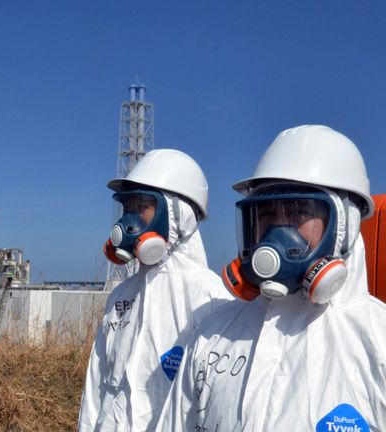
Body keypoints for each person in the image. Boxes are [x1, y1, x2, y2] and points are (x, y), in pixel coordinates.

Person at [157, 125, 386, 430]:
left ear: (345, 223)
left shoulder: (377, 341)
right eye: (266, 215)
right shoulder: (214, 331)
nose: (277, 231)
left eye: (299, 213)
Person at [79, 149, 232, 431]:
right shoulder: (121, 297)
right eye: (127, 208)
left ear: (179, 215)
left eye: (142, 207)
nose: (129, 221)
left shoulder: (213, 300)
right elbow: (95, 390)